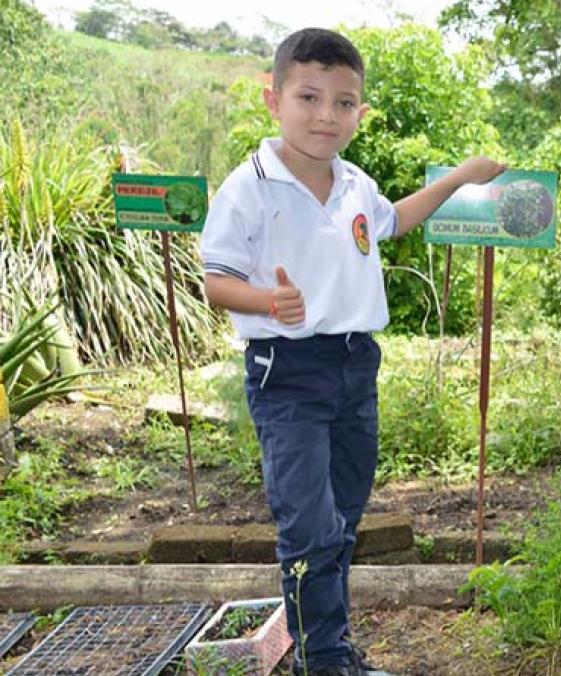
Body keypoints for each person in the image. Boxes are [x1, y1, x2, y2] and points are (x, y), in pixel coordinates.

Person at [200, 28, 505, 676]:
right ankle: (326, 662)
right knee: (309, 527)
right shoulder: (248, 187)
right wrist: (266, 302)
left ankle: (328, 649)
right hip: (287, 372)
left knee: (340, 521)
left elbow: (396, 217)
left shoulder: (356, 184)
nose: (326, 115)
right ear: (273, 99)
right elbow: (214, 281)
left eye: (344, 103)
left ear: (359, 114)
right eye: (309, 97)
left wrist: (461, 177)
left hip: (354, 366)